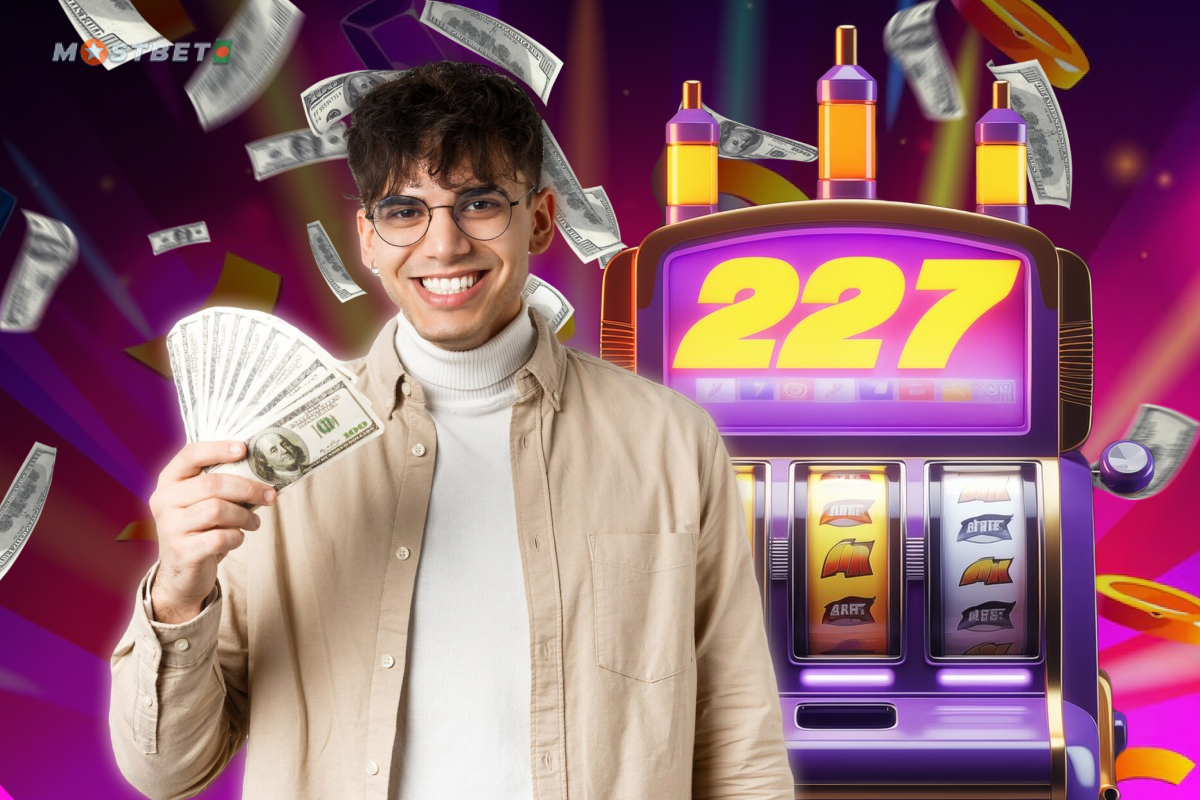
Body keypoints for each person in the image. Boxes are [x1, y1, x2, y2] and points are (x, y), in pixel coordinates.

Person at [109, 61, 793, 800]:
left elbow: (736, 742)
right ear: (367, 238)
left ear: (538, 219)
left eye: (478, 203)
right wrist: (180, 590)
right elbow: (167, 771)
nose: (443, 245)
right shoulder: (270, 455)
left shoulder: (671, 442)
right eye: (405, 210)